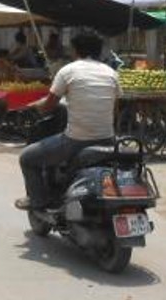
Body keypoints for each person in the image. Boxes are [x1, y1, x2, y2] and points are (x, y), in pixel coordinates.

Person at [15, 31, 121, 211]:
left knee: (26, 158)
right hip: (108, 140)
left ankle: (38, 200)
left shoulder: (68, 71)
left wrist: (34, 106)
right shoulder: (112, 73)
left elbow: (48, 106)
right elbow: (115, 109)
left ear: (76, 50)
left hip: (76, 141)